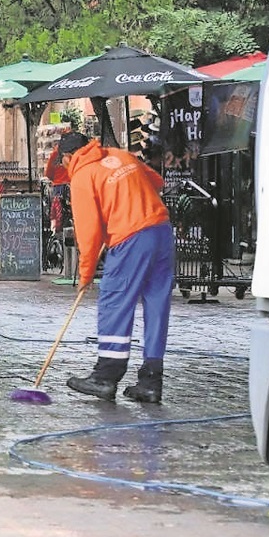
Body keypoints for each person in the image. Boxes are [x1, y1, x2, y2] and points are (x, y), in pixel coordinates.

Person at [58, 131, 175, 403]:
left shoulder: (82, 176)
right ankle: (151, 381)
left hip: (130, 236)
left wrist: (85, 276)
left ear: (68, 157)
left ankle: (106, 376)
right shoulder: (120, 155)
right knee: (157, 305)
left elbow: (88, 235)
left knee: (115, 299)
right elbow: (156, 181)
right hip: (160, 229)